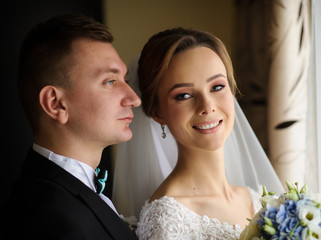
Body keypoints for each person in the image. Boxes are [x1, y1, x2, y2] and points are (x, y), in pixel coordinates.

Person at [112, 28, 284, 239]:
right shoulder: (167, 220)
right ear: (157, 112)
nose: (207, 106)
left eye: (217, 87)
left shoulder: (257, 199)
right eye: (183, 95)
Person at [2, 13, 141, 239]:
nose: (134, 99)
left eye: (124, 80)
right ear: (56, 104)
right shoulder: (48, 220)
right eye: (110, 81)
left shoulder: (62, 196)